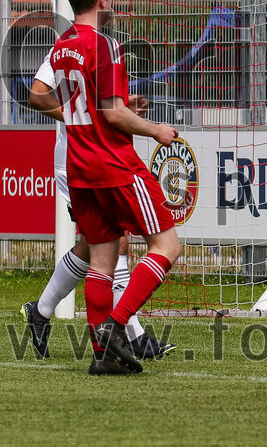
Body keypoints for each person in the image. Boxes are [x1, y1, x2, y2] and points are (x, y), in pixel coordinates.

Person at [47, 0, 181, 375]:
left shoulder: (61, 47)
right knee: (167, 247)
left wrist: (123, 105)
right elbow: (112, 112)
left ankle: (103, 358)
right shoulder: (104, 45)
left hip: (80, 167)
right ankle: (115, 326)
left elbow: (92, 104)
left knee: (101, 262)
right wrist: (156, 129)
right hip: (114, 164)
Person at [21, 51, 175, 362]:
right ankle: (130, 333)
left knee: (94, 245)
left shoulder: (98, 48)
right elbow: (37, 94)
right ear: (100, 0)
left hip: (94, 159)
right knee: (111, 242)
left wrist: (118, 107)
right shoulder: (66, 49)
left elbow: (102, 106)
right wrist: (81, 116)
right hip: (77, 161)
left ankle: (41, 311)